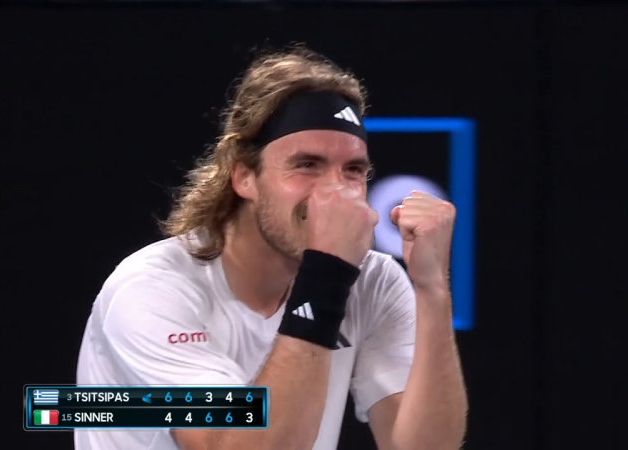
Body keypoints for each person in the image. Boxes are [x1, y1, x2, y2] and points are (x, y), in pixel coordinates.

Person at [75, 46, 467, 450]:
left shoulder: (373, 281)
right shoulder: (152, 289)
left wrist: (432, 287)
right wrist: (326, 276)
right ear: (244, 177)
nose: (336, 192)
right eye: (307, 165)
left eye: (353, 170)